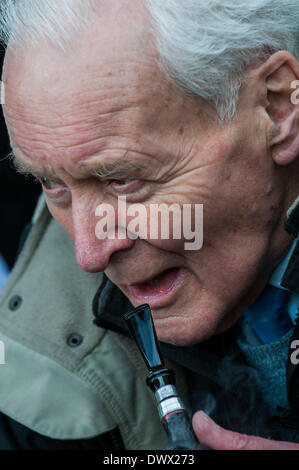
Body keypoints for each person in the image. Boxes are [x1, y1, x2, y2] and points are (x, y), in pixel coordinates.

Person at [0, 0, 298, 450]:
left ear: (276, 108)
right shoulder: (37, 343)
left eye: (122, 180)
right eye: (50, 182)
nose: (89, 253)